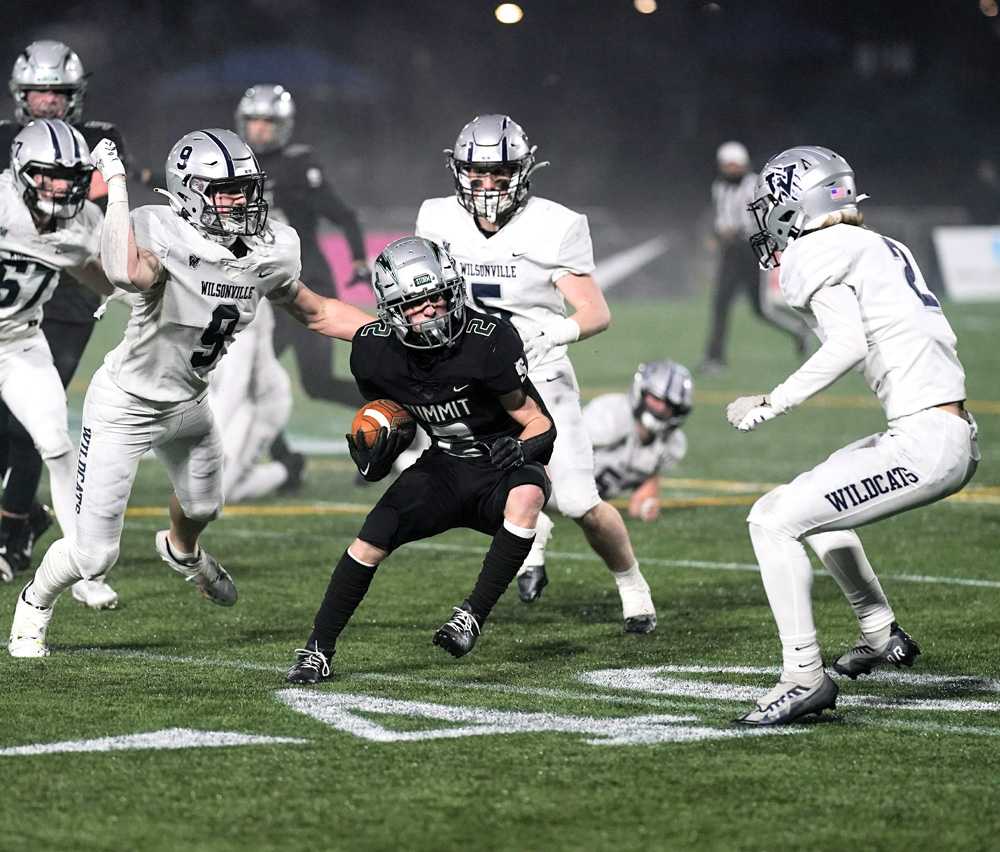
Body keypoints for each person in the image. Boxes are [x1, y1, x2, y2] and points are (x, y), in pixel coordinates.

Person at [8, 129, 371, 658]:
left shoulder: (270, 249)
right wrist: (116, 187)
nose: (240, 201)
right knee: (93, 557)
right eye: (224, 190)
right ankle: (34, 603)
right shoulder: (162, 232)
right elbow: (124, 272)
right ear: (188, 192)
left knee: (204, 505)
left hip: (190, 403)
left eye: (245, 188)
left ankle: (181, 549)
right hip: (126, 406)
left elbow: (316, 310)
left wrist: (386, 332)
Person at [726, 145, 980, 725]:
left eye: (773, 200)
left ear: (798, 200)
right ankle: (879, 631)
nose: (766, 214)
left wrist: (772, 401)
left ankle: (803, 677)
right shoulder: (879, 244)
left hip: (926, 442)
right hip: (940, 429)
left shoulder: (815, 250)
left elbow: (846, 345)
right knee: (793, 503)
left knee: (773, 521)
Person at [415, 114, 656, 634]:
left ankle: (632, 584)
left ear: (522, 172)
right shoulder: (436, 218)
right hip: (473, 382)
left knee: (577, 500)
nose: (486, 187)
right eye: (475, 175)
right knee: (458, 486)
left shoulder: (556, 225)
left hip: (539, 378)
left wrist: (553, 335)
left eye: (498, 174)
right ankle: (532, 536)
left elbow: (595, 312)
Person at [285, 236, 555, 684]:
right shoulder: (376, 353)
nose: (431, 310)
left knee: (527, 494)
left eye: (437, 297)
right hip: (444, 467)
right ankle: (317, 648)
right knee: (367, 542)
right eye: (416, 303)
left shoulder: (488, 340)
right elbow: (397, 422)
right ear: (392, 309)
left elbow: (540, 422)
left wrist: (522, 449)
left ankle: (471, 616)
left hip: (499, 465)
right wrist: (374, 457)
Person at [0, 40, 131, 608]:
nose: (49, 102)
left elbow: (110, 275)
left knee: (49, 438)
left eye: (59, 92)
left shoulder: (80, 219)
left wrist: (161, 308)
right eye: (38, 92)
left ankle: (57, 551)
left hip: (34, 324)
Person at [236, 84, 368, 425]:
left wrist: (358, 260)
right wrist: (144, 176)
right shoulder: (235, 164)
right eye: (254, 121)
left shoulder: (298, 165)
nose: (260, 128)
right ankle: (285, 461)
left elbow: (345, 215)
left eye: (268, 121)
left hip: (308, 287)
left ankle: (397, 416)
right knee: (247, 383)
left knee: (316, 383)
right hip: (269, 291)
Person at [520, 359, 692, 599]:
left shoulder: (672, 445)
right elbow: (556, 449)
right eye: (657, 398)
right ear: (641, 392)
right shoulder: (612, 416)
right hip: (553, 485)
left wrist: (647, 499)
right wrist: (532, 490)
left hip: (585, 505)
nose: (661, 409)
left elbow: (648, 478)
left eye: (670, 404)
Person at [700, 140, 807, 374]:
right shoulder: (719, 187)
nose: (732, 170)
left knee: (761, 309)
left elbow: (768, 217)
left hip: (751, 251)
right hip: (730, 253)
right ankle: (714, 359)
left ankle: (797, 329)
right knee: (720, 305)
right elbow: (722, 217)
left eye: (735, 165)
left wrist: (742, 231)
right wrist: (719, 233)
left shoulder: (755, 185)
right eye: (728, 166)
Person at [209, 297, 303, 502]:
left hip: (260, 405)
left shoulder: (245, 298)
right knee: (199, 483)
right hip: (227, 397)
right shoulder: (204, 286)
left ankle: (288, 468)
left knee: (219, 494)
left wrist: (214, 437)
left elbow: (238, 380)